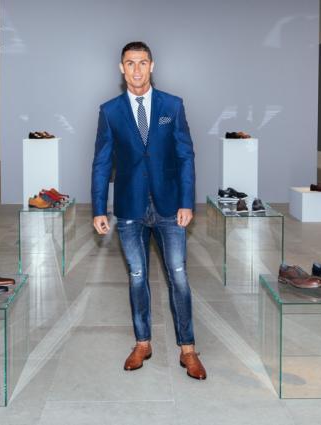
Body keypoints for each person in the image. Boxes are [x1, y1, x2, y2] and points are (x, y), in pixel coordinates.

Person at [91, 41, 206, 380]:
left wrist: (187, 201)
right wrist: (98, 207)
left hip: (170, 206)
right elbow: (102, 162)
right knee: (138, 276)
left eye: (143, 62)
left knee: (178, 275)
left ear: (152, 66)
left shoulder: (172, 105)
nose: (137, 69)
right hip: (130, 207)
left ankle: (188, 349)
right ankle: (142, 343)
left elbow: (185, 156)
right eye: (130, 63)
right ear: (121, 68)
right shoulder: (110, 111)